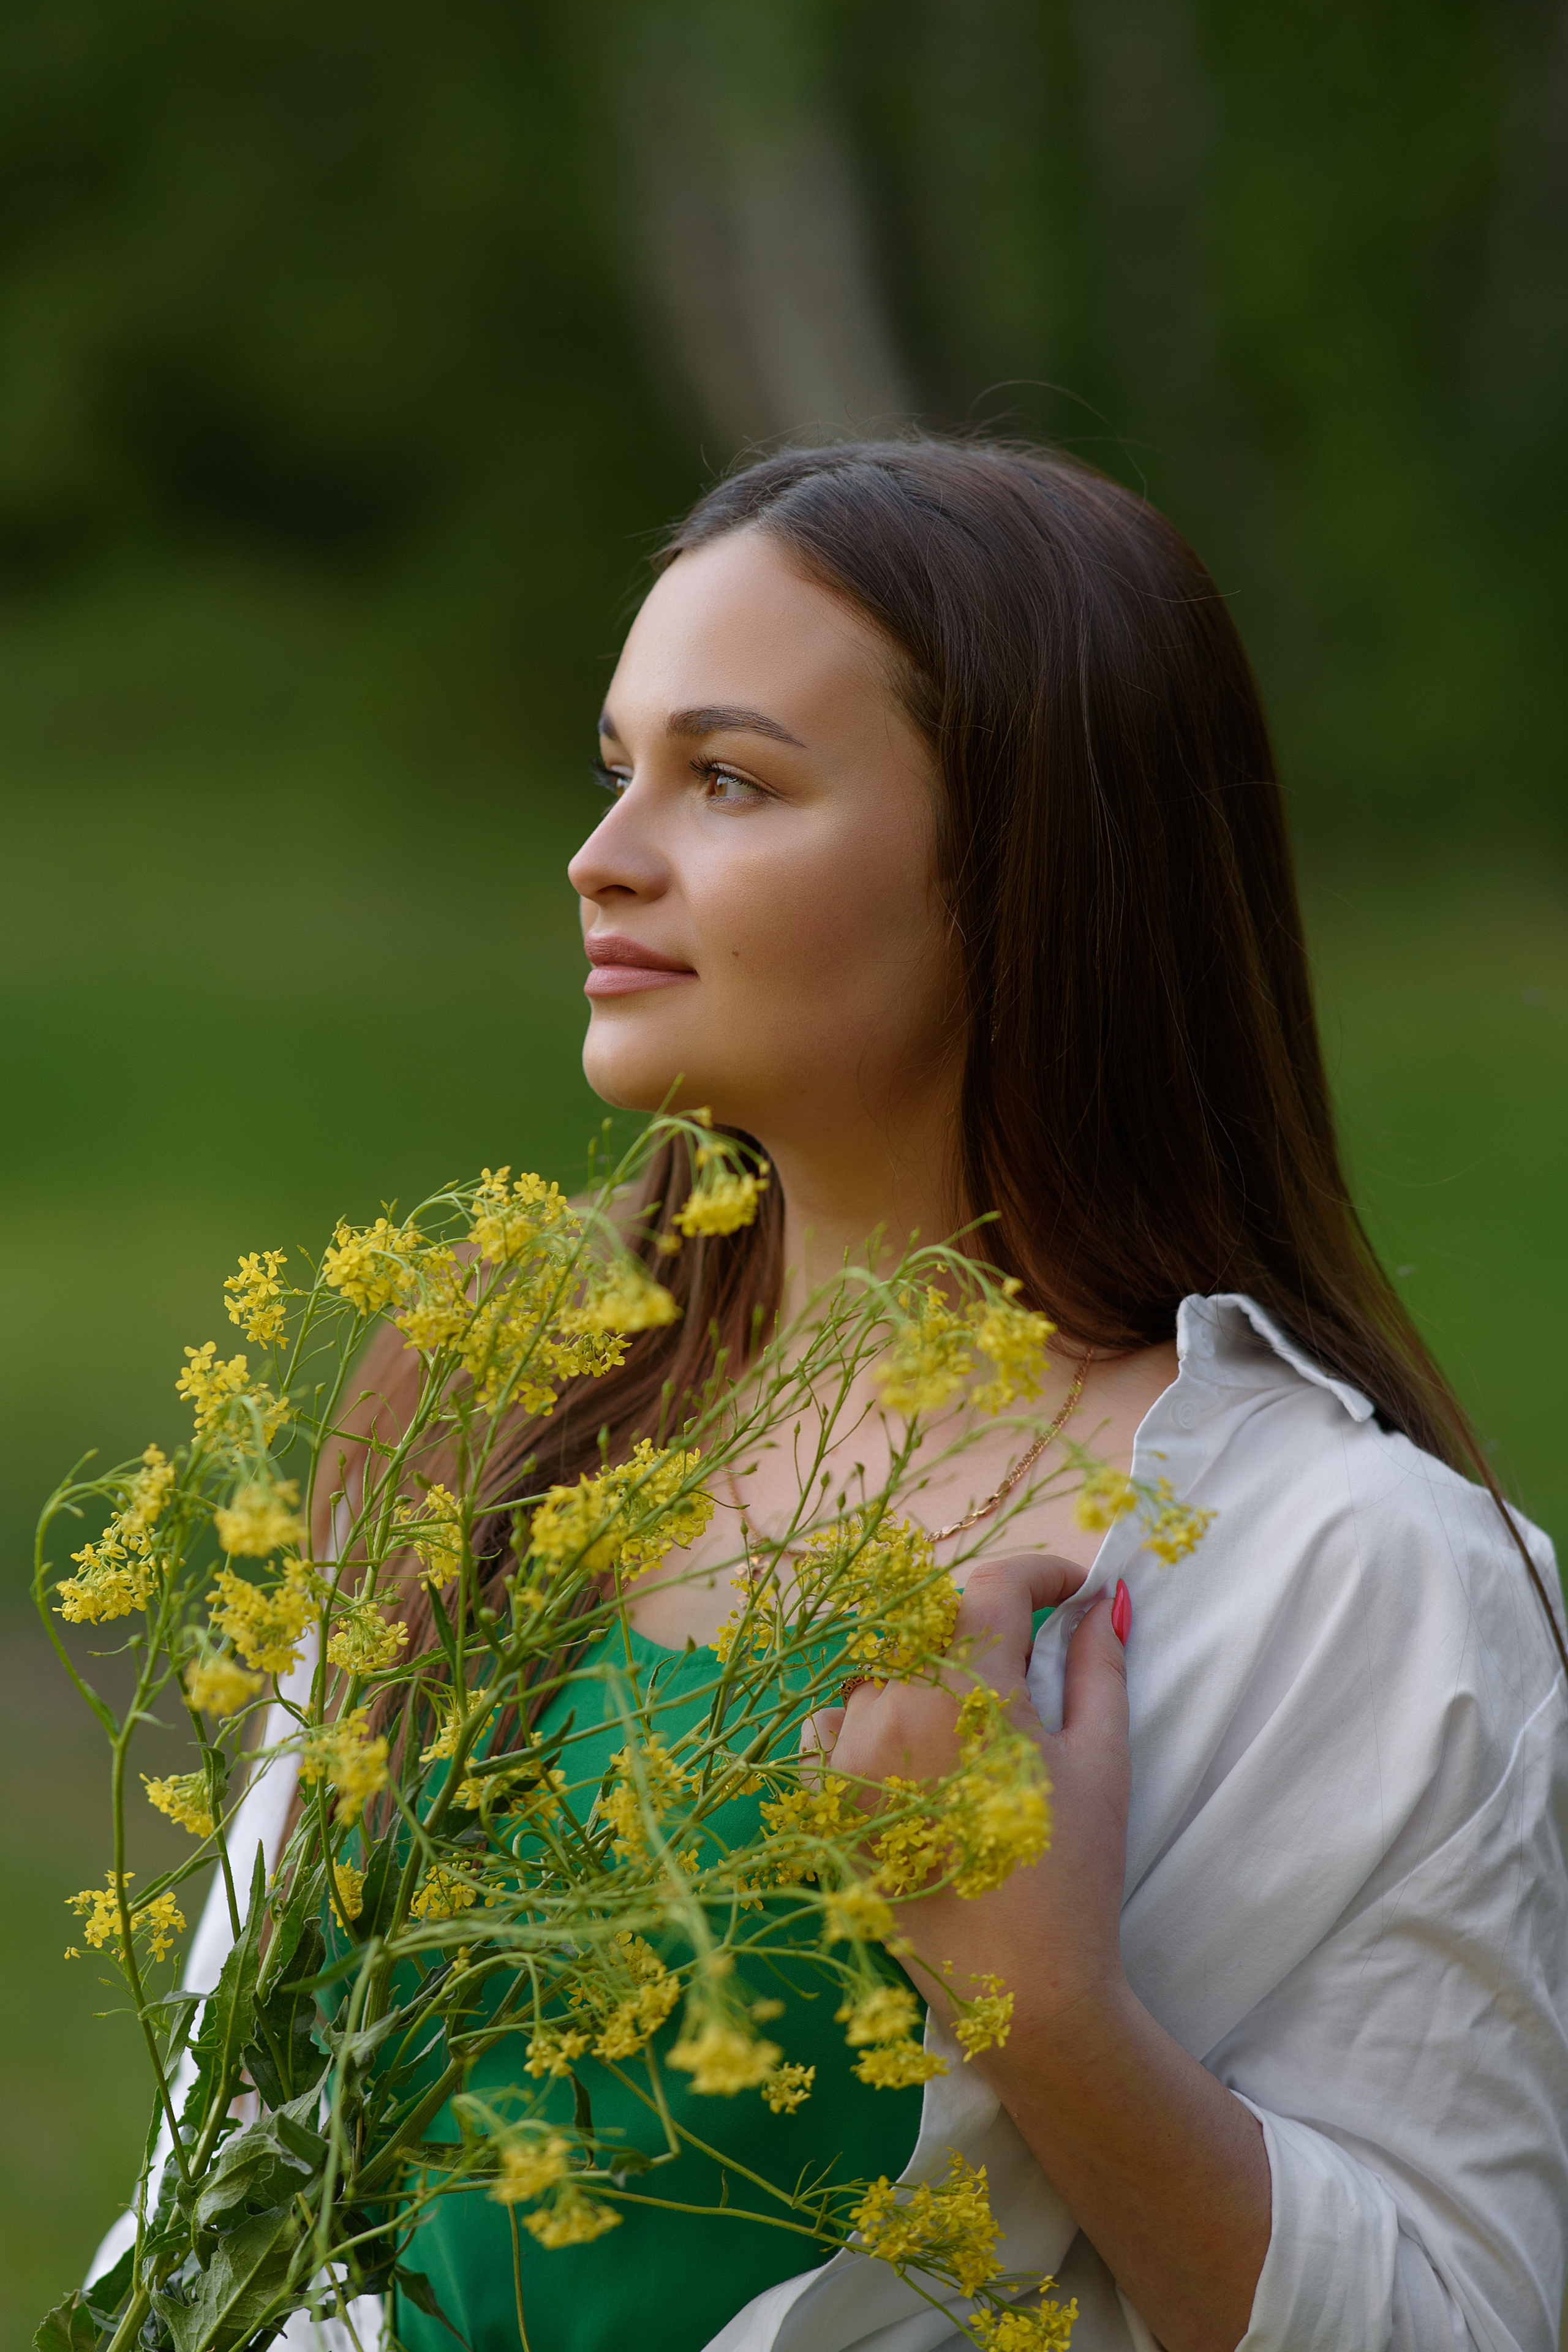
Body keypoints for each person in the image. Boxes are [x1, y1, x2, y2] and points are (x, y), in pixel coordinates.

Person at [127, 439, 1568, 2351]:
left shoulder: (1353, 1571)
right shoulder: (491, 1414)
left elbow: (1460, 2320)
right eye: (613, 768)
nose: (606, 853)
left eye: (727, 781)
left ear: (1028, 872)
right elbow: (224, 2174)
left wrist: (1048, 2018)